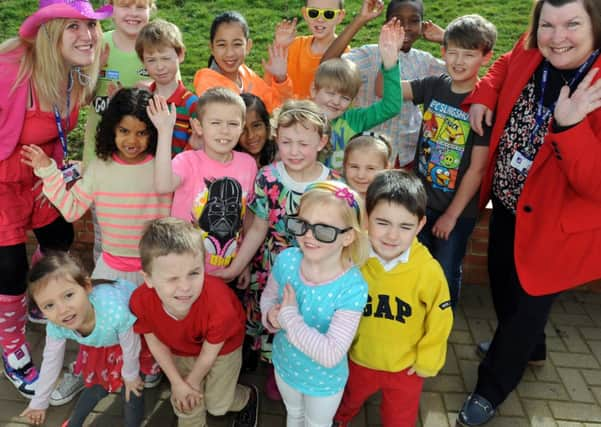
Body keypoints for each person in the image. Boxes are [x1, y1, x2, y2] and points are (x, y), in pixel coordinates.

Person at [456, 1, 601, 425]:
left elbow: (594, 184)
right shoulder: (534, 49)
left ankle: (491, 388)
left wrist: (570, 128)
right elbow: (504, 64)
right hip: (506, 202)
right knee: (503, 284)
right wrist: (484, 94)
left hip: (556, 228)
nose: (557, 37)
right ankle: (532, 347)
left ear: (595, 26)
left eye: (572, 24)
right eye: (547, 24)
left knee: (525, 308)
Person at [0, 0, 111, 399]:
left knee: (60, 238)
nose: (87, 36)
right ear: (50, 34)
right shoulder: (10, 71)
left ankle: (38, 299)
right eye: (73, 28)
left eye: (91, 27)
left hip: (42, 174)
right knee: (8, 267)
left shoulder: (74, 74)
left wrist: (61, 169)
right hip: (3, 181)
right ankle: (11, 346)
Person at [213, 99, 339, 400]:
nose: (294, 151)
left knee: (305, 318)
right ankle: (274, 366)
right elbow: (257, 227)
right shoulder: (268, 177)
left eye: (303, 143)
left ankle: (301, 366)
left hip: (313, 269)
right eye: (286, 142)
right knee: (271, 315)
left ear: (321, 142)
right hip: (271, 266)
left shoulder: (332, 184)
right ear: (276, 139)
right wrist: (236, 266)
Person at [334, 170, 453, 427]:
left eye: (405, 226)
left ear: (420, 225)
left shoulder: (428, 271)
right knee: (347, 401)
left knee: (399, 418)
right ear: (366, 219)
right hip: (358, 358)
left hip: (405, 367)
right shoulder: (354, 258)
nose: (392, 236)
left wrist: (428, 359)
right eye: (383, 223)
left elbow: (440, 319)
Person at [401, 14, 496, 308]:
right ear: (442, 52)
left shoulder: (483, 104)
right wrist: (389, 55)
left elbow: (477, 168)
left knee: (444, 271)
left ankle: (440, 332)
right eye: (452, 52)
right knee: (414, 270)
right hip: (421, 203)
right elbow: (392, 90)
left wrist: (452, 215)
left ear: (486, 57)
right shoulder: (434, 86)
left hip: (455, 212)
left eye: (469, 55)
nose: (458, 61)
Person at [130, 217, 259, 427]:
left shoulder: (219, 304)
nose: (185, 287)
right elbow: (154, 342)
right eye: (172, 278)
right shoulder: (140, 301)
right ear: (149, 279)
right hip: (181, 348)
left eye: (194, 273)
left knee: (217, 405)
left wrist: (190, 383)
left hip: (223, 348)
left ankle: (247, 396)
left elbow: (209, 353)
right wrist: (177, 384)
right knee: (186, 404)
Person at [260, 181, 369, 426]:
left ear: (348, 237)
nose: (308, 235)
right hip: (285, 365)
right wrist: (270, 316)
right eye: (303, 224)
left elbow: (331, 354)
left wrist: (288, 316)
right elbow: (268, 297)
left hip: (323, 382)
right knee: (293, 413)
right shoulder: (287, 260)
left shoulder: (352, 287)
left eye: (324, 230)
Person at [20, 253, 144, 427]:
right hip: (102, 342)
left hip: (135, 337)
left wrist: (131, 375)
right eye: (49, 305)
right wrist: (39, 402)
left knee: (132, 389)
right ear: (40, 310)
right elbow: (51, 361)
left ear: (86, 286)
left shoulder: (116, 313)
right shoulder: (56, 326)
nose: (62, 310)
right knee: (96, 384)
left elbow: (132, 346)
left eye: (68, 295)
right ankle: (74, 423)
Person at [322, 0, 446, 168]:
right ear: (386, 23)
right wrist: (360, 19)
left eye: (414, 21)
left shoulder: (424, 61)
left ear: (422, 25)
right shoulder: (369, 55)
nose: (406, 27)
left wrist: (445, 39)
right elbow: (326, 66)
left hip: (407, 154)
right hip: (367, 154)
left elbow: (463, 76)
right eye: (398, 20)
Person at [153, 88, 258, 278]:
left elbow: (248, 217)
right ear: (198, 126)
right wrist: (165, 131)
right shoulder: (187, 161)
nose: (224, 130)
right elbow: (162, 185)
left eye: (233, 123)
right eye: (215, 123)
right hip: (185, 270)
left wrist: (245, 263)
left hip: (228, 270)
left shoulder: (248, 164)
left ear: (242, 127)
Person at [312, 16, 403, 170]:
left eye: (345, 97)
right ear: (314, 90)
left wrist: (390, 64)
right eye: (330, 93)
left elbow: (391, 106)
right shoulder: (301, 117)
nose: (336, 101)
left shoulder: (354, 120)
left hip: (345, 191)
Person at [82, 0, 154, 166]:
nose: (133, 13)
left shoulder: (159, 47)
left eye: (141, 7)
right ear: (110, 8)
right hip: (98, 156)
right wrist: (93, 70)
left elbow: (176, 97)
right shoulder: (97, 44)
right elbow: (82, 99)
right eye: (125, 6)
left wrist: (154, 89)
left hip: (143, 157)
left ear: (151, 9)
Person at [192, 11, 292, 114]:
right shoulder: (206, 80)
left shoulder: (246, 74)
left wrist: (281, 79)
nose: (229, 53)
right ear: (212, 48)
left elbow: (276, 107)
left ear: (248, 46)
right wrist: (246, 104)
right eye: (222, 45)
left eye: (237, 44)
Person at [135, 19, 199, 155]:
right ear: (143, 62)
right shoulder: (141, 99)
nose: (160, 67)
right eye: (151, 60)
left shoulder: (192, 105)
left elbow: (197, 149)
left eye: (165, 58)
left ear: (180, 54)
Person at [270, 0, 347, 99]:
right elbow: (269, 89)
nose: (320, 19)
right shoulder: (293, 45)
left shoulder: (345, 55)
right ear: (305, 13)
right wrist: (280, 47)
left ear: (340, 16)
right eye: (313, 13)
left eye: (328, 14)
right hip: (284, 111)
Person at [342, 132, 391, 198]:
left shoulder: (391, 203)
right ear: (344, 165)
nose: (360, 175)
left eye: (370, 168)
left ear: (386, 169)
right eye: (354, 167)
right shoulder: (334, 198)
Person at [235, 93, 278, 168]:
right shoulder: (230, 161)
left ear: (266, 125)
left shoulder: (281, 157)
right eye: (242, 129)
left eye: (256, 125)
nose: (250, 135)